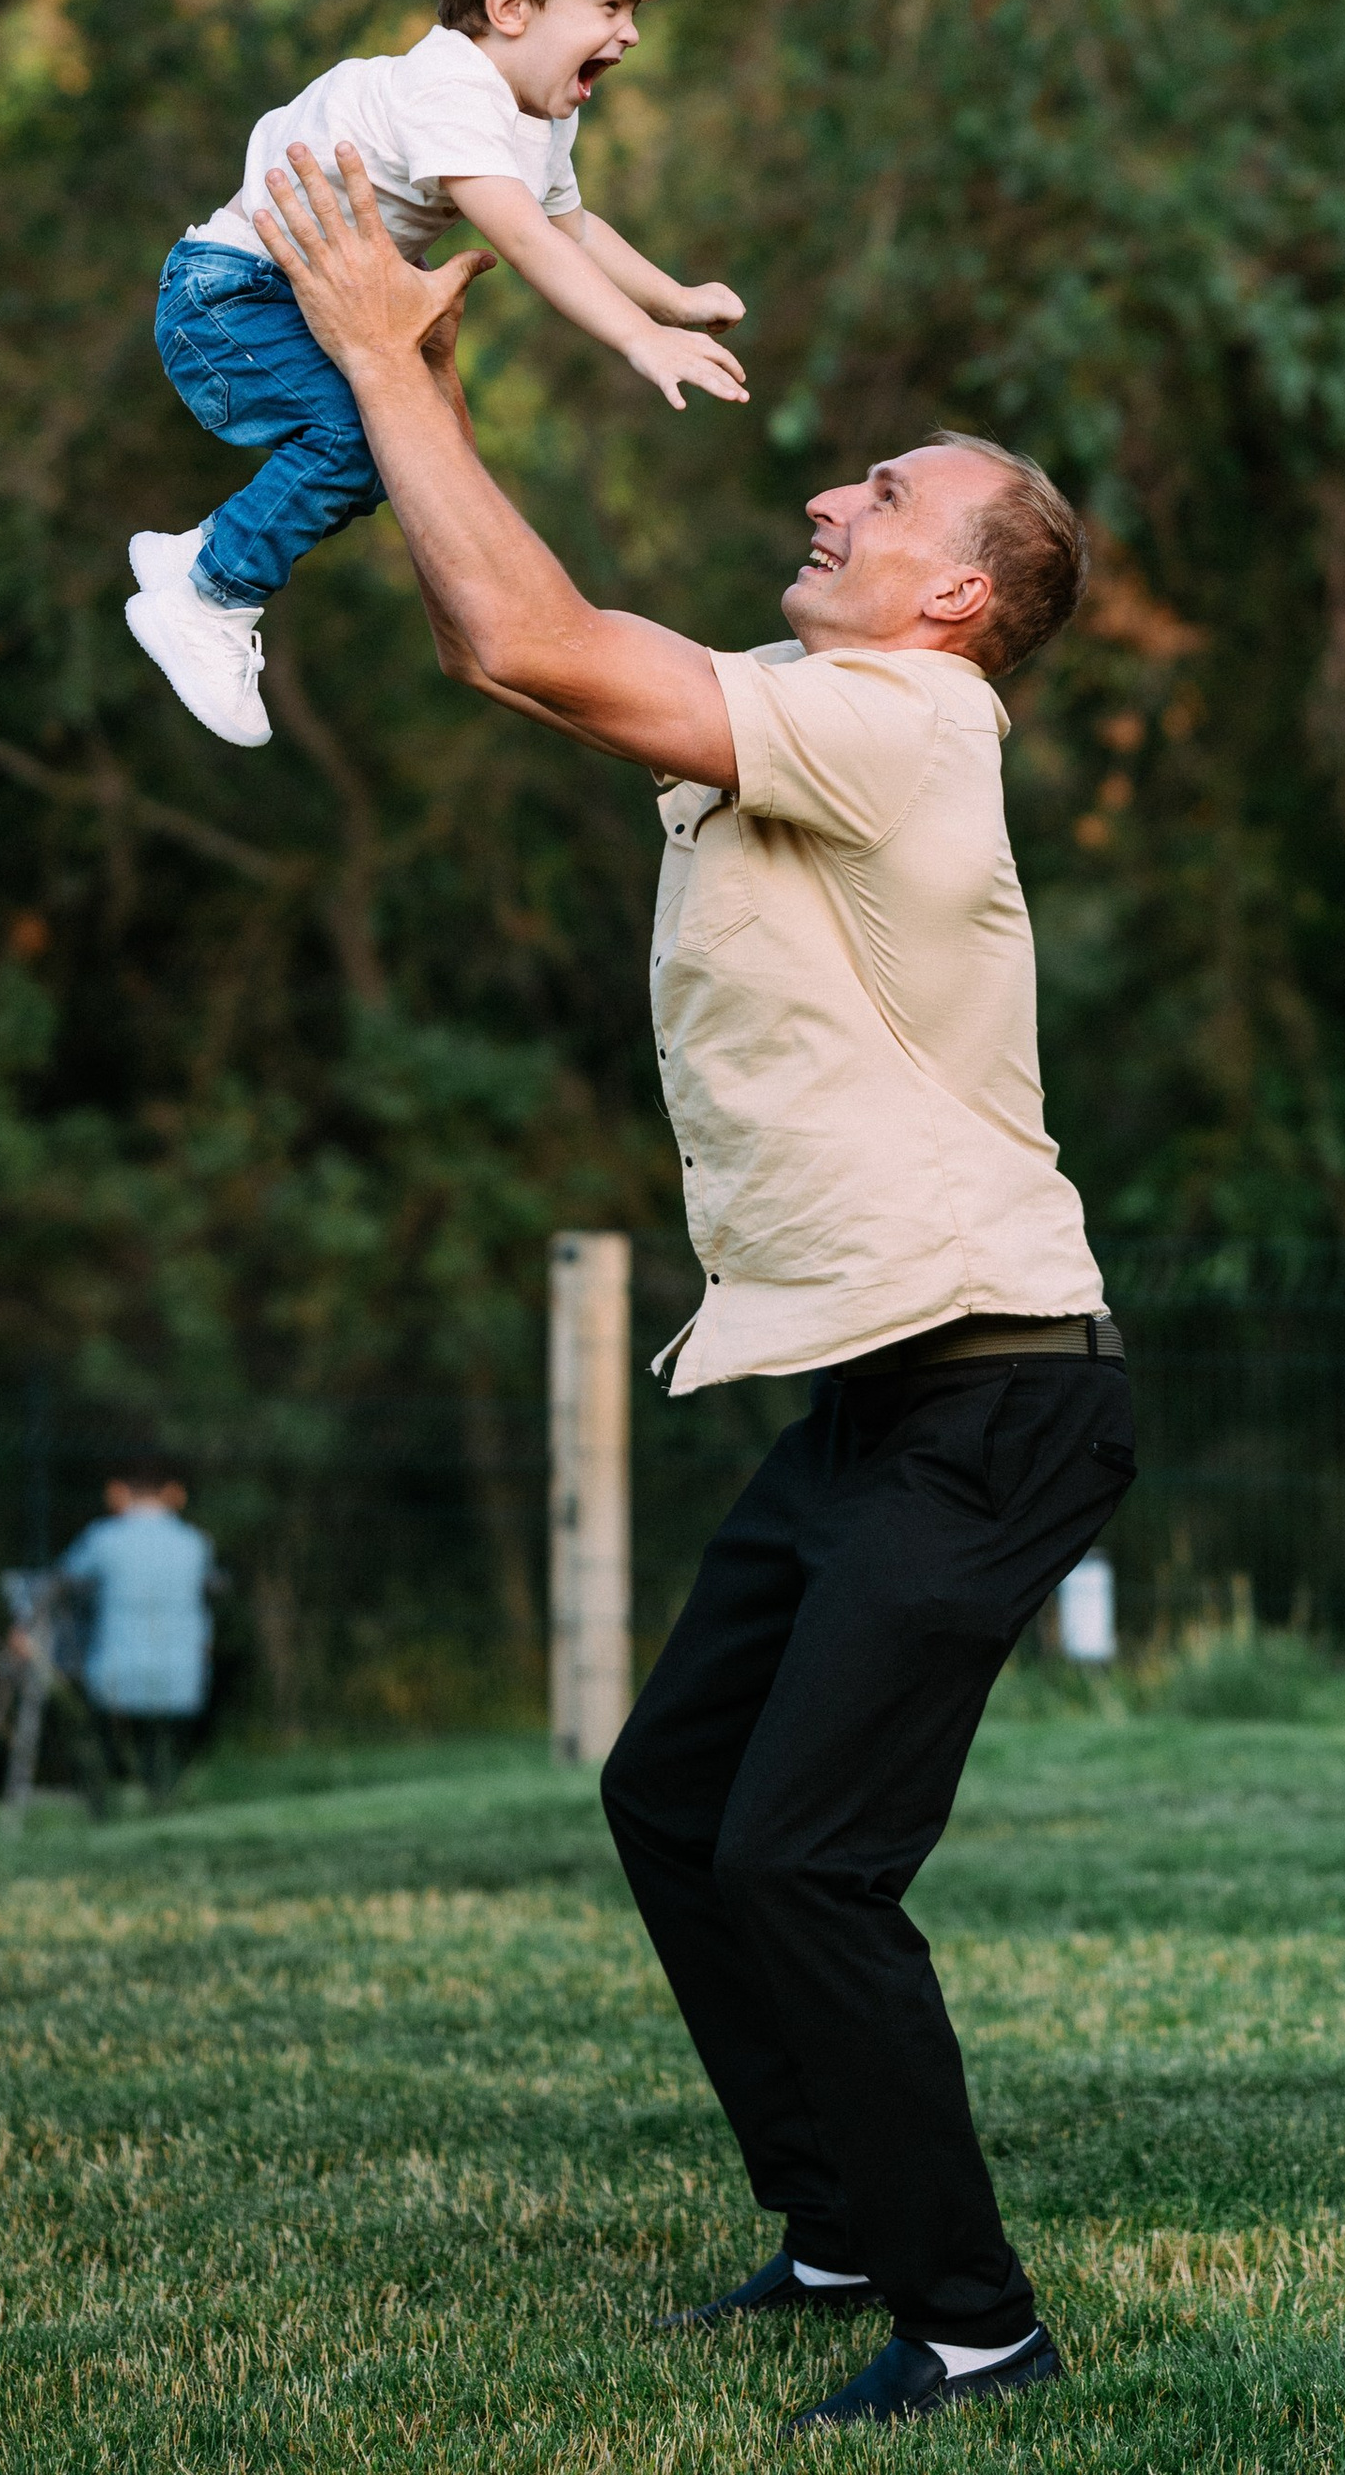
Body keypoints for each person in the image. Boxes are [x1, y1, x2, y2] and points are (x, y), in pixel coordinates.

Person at [250, 138, 1134, 2439]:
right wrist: (406, 392)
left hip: (991, 1383)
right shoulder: (799, 694)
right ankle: (834, 2217)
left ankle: (966, 2315)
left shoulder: (903, 728)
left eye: (889, 491)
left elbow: (538, 637)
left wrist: (376, 351)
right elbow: (506, 642)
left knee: (802, 1852)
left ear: (957, 598)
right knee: (673, 1798)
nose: (837, 489)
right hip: (871, 1389)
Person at [125, 0, 748, 748]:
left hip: (285, 297)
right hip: (232, 299)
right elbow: (523, 237)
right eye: (610, 6)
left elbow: (570, 224)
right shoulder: (453, 88)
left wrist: (674, 301)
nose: (632, 32)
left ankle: (198, 561)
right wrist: (638, 341)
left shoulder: (537, 113)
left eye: (633, 9)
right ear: (509, 6)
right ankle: (207, 595)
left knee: (391, 448)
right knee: (359, 439)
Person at [52, 1462, 217, 1806]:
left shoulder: (102, 1539)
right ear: (175, 1494)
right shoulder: (195, 1544)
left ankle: (100, 1808)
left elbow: (61, 1582)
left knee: (86, 1727)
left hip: (113, 1679)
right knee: (160, 1744)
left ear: (117, 1492)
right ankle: (163, 1800)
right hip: (181, 1681)